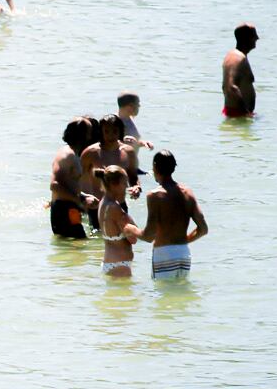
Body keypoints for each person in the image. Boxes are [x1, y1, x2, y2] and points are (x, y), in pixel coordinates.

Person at [142, 151, 208, 280]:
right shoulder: (187, 193)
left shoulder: (154, 195)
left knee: (163, 292)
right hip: (184, 254)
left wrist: (129, 229)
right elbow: (203, 229)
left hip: (163, 255)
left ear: (154, 167)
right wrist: (184, 241)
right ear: (173, 167)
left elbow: (148, 236)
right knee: (182, 291)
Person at [48, 117, 96, 240]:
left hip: (69, 208)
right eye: (89, 132)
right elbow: (54, 185)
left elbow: (68, 184)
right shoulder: (67, 155)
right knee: (78, 245)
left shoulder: (73, 154)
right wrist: (79, 200)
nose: (91, 137)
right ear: (82, 135)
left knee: (77, 245)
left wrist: (84, 197)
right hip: (64, 210)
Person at [94, 166, 142, 279]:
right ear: (114, 184)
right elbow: (133, 238)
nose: (127, 186)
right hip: (120, 265)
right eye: (124, 183)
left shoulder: (103, 203)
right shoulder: (115, 208)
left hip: (110, 262)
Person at [79, 114, 140, 191]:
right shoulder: (90, 153)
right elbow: (77, 179)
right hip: (97, 198)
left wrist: (136, 187)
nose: (111, 135)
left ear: (120, 131)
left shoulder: (129, 152)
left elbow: (133, 177)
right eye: (106, 131)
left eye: (115, 131)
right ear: (101, 131)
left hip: (120, 198)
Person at [223, 23, 259, 117]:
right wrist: (245, 112)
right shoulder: (238, 58)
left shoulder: (234, 55)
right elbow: (231, 87)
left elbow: (224, 86)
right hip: (239, 114)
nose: (257, 38)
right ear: (246, 38)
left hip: (235, 112)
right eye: (254, 35)